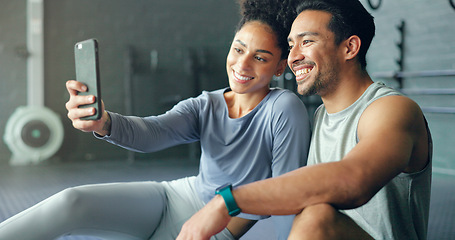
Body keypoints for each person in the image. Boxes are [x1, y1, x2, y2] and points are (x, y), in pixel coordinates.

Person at [0, 0, 311, 240]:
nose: (242, 64)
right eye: (238, 49)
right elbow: (154, 132)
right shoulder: (206, 104)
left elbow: (287, 192)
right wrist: (103, 122)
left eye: (260, 57)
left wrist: (230, 230)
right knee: (71, 201)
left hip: (220, 226)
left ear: (280, 66)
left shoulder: (283, 107)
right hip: (175, 197)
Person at [177, 0, 433, 239]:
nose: (293, 57)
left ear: (350, 47)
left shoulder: (391, 109)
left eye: (307, 42)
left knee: (315, 216)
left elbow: (353, 179)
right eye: (290, 46)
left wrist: (228, 201)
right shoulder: (320, 116)